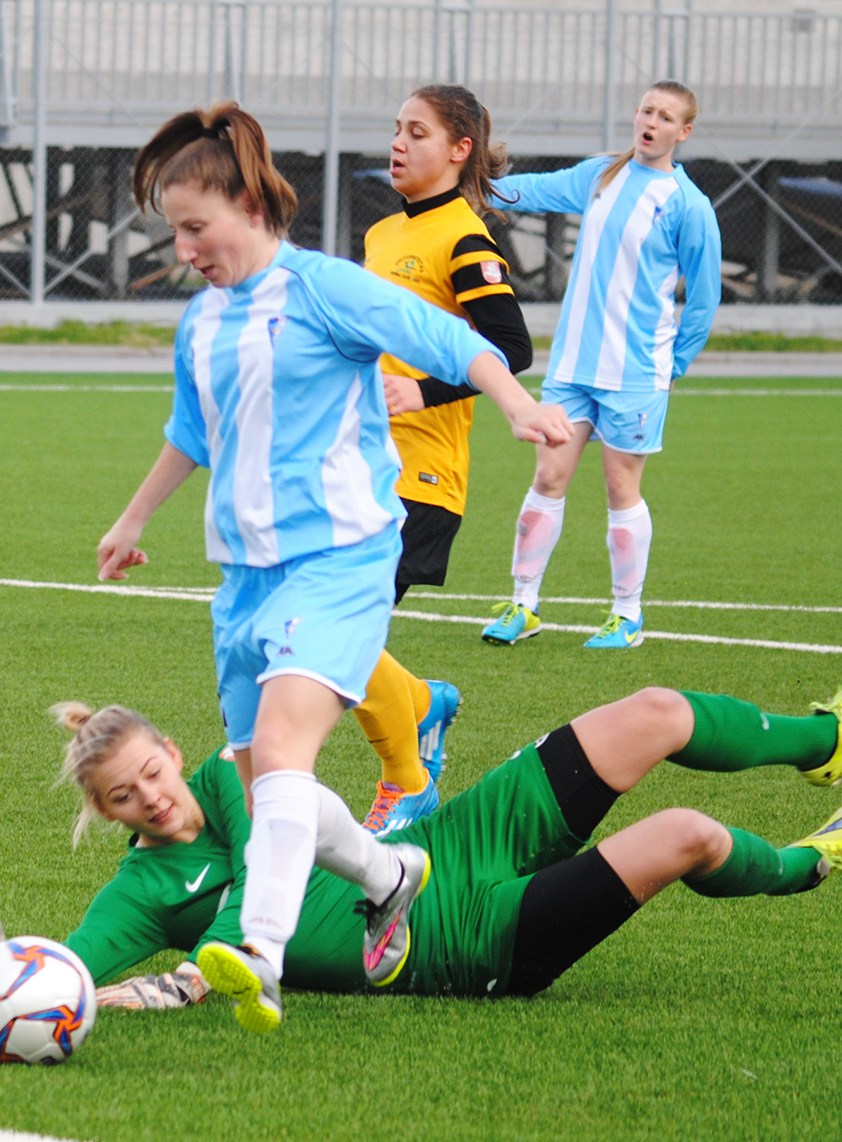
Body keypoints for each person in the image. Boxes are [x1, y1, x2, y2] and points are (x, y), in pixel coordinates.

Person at [92, 102, 572, 1032]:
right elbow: (192, 432)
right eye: (175, 231)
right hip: (245, 583)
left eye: (196, 226)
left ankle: (255, 956)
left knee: (277, 755)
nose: (186, 248)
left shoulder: (325, 289)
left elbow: (457, 342)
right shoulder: (201, 323)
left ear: (248, 204)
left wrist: (516, 403)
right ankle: (391, 874)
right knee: (266, 780)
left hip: (343, 561)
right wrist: (134, 515)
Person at [0, 654, 842, 1020]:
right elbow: (67, 981)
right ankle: (801, 867)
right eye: (124, 798)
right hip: (461, 945)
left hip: (449, 848)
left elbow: (255, 869)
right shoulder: (141, 892)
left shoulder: (235, 777)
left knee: (651, 711)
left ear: (172, 748)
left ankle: (824, 739)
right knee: (688, 834)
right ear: (108, 815)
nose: (151, 799)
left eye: (150, 773)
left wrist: (213, 961)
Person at [480, 80, 722, 650]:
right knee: (547, 476)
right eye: (645, 110)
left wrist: (672, 364)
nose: (651, 121)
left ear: (682, 132)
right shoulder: (602, 174)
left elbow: (705, 298)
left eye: (664, 116)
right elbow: (533, 190)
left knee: (620, 486)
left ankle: (627, 615)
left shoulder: (689, 206)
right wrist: (470, 190)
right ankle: (523, 604)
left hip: (635, 374)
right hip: (571, 368)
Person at [353, 85, 536, 837]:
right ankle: (421, 709)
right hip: (357, 469)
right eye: (396, 128)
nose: (398, 143)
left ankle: (408, 776)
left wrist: (420, 390)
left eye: (417, 132)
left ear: (459, 151)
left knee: (330, 635)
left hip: (419, 480)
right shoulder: (381, 235)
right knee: (320, 630)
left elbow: (513, 349)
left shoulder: (465, 240)